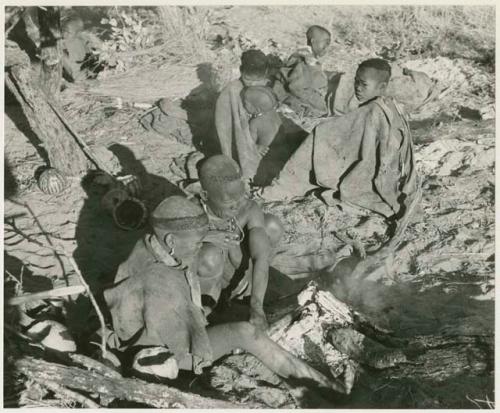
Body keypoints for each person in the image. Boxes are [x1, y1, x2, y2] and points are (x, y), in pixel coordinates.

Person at [103, 195, 345, 393]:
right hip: (165, 353)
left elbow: (180, 243)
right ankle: (330, 390)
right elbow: (181, 349)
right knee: (245, 332)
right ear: (172, 241)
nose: (200, 247)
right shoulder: (162, 284)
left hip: (160, 323)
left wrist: (206, 236)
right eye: (197, 243)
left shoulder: (151, 244)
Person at [263, 58, 420, 231]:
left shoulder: (371, 112)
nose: (357, 88)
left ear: (382, 87)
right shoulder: (390, 104)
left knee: (317, 138)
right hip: (395, 174)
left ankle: (282, 187)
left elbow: (332, 134)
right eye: (356, 82)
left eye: (363, 84)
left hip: (377, 175)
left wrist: (320, 132)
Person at [194, 155, 284, 332]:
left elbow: (261, 257)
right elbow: (166, 240)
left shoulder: (247, 208)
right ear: (205, 195)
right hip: (211, 286)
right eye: (228, 202)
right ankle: (206, 311)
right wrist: (205, 237)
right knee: (209, 255)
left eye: (240, 196)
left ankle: (249, 293)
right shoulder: (192, 213)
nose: (236, 206)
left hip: (243, 279)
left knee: (271, 225)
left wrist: (256, 306)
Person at [214, 49, 270, 183]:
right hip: (239, 141)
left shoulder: (265, 85)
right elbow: (235, 129)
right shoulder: (231, 92)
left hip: (255, 136)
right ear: (240, 70)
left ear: (266, 74)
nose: (252, 84)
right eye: (247, 79)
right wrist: (252, 146)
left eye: (257, 80)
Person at [273, 25, 332, 118]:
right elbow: (295, 86)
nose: (326, 47)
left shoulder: (308, 57)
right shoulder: (304, 58)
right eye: (325, 43)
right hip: (291, 92)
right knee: (321, 107)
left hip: (297, 90)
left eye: (328, 45)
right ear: (313, 41)